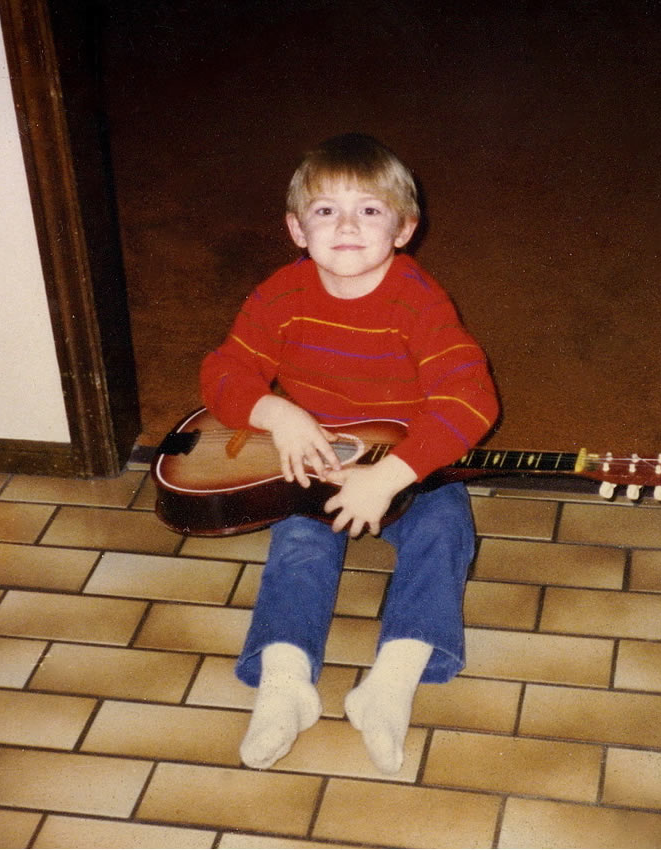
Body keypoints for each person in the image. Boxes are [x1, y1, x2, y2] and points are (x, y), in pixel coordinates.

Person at [200, 133, 499, 773]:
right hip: (319, 455)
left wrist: (391, 477)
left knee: (445, 529)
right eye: (325, 210)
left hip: (410, 458)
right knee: (300, 542)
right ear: (296, 230)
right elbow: (224, 371)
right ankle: (286, 684)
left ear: (404, 229)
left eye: (369, 210)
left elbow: (470, 400)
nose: (346, 226)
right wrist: (276, 413)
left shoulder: (419, 302)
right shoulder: (281, 294)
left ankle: (390, 683)